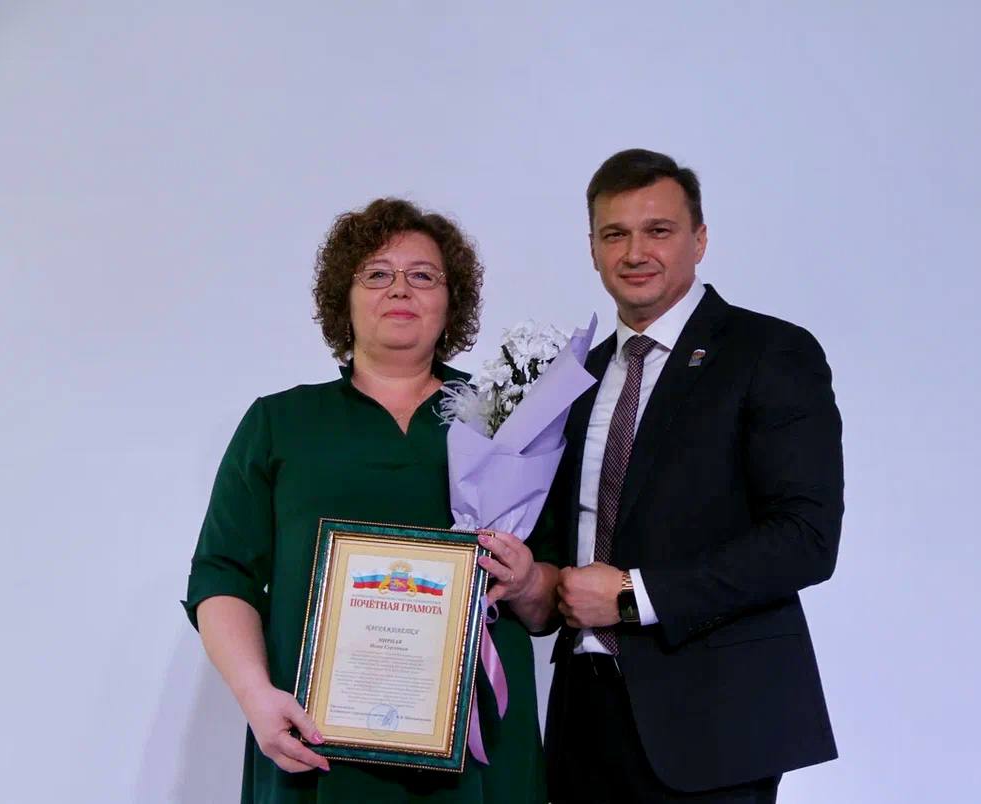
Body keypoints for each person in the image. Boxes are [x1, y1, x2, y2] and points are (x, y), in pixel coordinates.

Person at [183, 198, 556, 804]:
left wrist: (530, 580)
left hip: (475, 746)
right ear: (344, 297)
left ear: (452, 300)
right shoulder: (281, 422)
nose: (399, 288)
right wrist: (255, 696)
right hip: (315, 740)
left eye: (423, 275)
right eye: (377, 273)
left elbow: (550, 598)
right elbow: (223, 575)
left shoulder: (510, 422)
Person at [542, 149, 845, 803]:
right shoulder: (576, 377)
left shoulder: (769, 353)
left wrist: (634, 595)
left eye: (659, 230)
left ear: (700, 239)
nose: (635, 253)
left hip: (714, 724)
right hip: (582, 720)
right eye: (614, 234)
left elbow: (806, 538)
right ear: (592, 249)